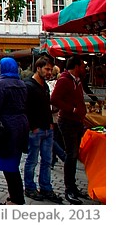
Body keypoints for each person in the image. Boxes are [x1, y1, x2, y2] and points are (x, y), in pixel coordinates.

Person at [23, 56, 63, 203]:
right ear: (38, 68)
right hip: (35, 130)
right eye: (46, 69)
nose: (49, 72)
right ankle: (30, 187)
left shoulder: (44, 86)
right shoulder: (29, 85)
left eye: (50, 69)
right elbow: (26, 109)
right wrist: (33, 127)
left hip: (47, 129)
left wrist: (50, 123)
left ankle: (46, 187)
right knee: (32, 160)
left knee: (46, 161)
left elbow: (46, 107)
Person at [51, 55, 89, 205]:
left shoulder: (76, 80)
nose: (85, 68)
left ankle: (73, 187)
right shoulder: (65, 80)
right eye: (82, 65)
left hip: (76, 121)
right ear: (76, 66)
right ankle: (69, 189)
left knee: (73, 155)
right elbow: (54, 99)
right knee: (71, 155)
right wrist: (72, 109)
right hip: (68, 122)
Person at [0, 57, 29, 205]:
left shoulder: (0, 83)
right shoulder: (21, 83)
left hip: (6, 126)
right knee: (14, 161)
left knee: (9, 165)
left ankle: (17, 198)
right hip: (21, 124)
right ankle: (15, 195)